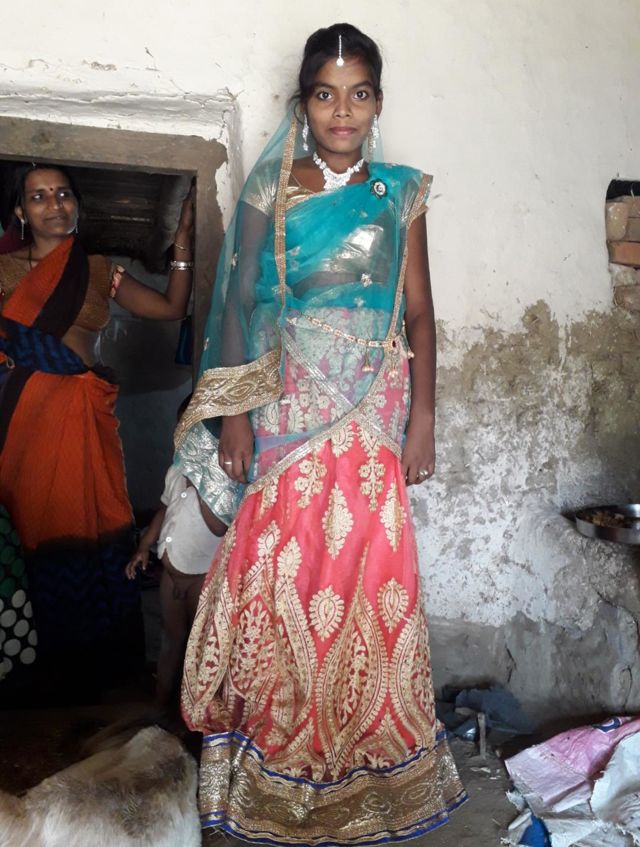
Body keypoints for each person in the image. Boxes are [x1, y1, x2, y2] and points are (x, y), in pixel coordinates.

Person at [176, 23, 466, 844]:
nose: (343, 110)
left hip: (373, 409)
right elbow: (239, 302)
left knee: (367, 569)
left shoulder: (400, 194)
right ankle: (272, 755)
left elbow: (420, 313)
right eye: (326, 93)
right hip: (289, 405)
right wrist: (237, 413)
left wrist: (423, 420)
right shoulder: (272, 188)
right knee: (285, 567)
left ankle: (365, 757)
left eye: (359, 93)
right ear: (303, 103)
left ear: (378, 102)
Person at [0, 163, 194, 697]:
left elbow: (171, 307)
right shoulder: (4, 271)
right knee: (34, 530)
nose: (54, 204)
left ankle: (98, 667)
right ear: (20, 211)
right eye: (38, 196)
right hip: (21, 421)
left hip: (84, 413)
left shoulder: (97, 269)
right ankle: (37, 667)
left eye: (63, 194)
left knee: (96, 519)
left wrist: (181, 243)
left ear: (77, 204)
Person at [125, 395, 227, 711]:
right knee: (171, 640)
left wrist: (202, 485)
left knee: (202, 645)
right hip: (170, 575)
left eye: (195, 431)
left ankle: (200, 713)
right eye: (181, 429)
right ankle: (160, 704)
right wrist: (144, 546)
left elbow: (218, 526)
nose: (184, 437)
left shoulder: (221, 478)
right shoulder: (174, 472)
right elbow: (163, 510)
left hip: (202, 578)